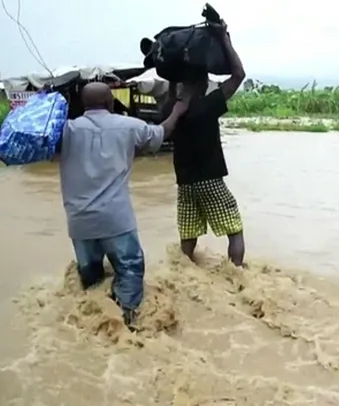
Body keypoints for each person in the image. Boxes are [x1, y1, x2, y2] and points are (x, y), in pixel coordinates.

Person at [58, 82, 187, 330]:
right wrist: (178, 110)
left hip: (79, 222)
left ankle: (94, 325)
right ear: (110, 102)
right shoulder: (128, 126)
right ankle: (127, 323)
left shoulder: (66, 130)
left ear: (84, 104)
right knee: (130, 269)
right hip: (116, 219)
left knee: (91, 277)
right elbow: (160, 133)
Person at [173, 21, 248, 267]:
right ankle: (236, 274)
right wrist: (224, 38)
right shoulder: (207, 106)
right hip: (210, 180)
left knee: (188, 233)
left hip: (184, 183)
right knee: (234, 227)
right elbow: (238, 75)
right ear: (202, 84)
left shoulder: (173, 111)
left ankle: (183, 274)